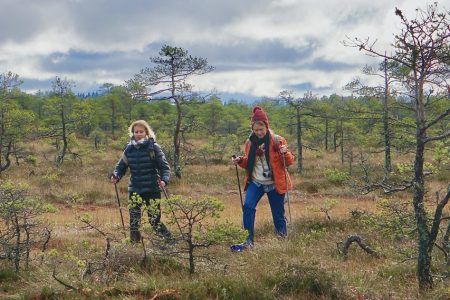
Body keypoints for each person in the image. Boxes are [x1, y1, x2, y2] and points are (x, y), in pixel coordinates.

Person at [231, 106, 294, 250]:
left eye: (261, 129)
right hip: (256, 182)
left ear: (266, 126)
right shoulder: (249, 143)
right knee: (247, 207)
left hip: (274, 183)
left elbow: (289, 162)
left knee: (278, 214)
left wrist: (285, 153)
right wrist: (240, 160)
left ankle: (281, 241)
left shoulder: (277, 140)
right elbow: (249, 162)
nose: (258, 133)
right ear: (252, 129)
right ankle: (248, 241)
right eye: (256, 130)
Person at [111, 120, 172, 243]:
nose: (138, 134)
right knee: (134, 219)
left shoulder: (153, 147)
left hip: (152, 188)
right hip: (134, 188)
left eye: (141, 131)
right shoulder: (129, 149)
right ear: (132, 133)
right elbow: (121, 166)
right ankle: (135, 245)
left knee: (154, 219)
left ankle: (169, 241)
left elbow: (164, 167)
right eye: (136, 131)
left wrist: (164, 180)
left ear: (146, 132)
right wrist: (116, 175)